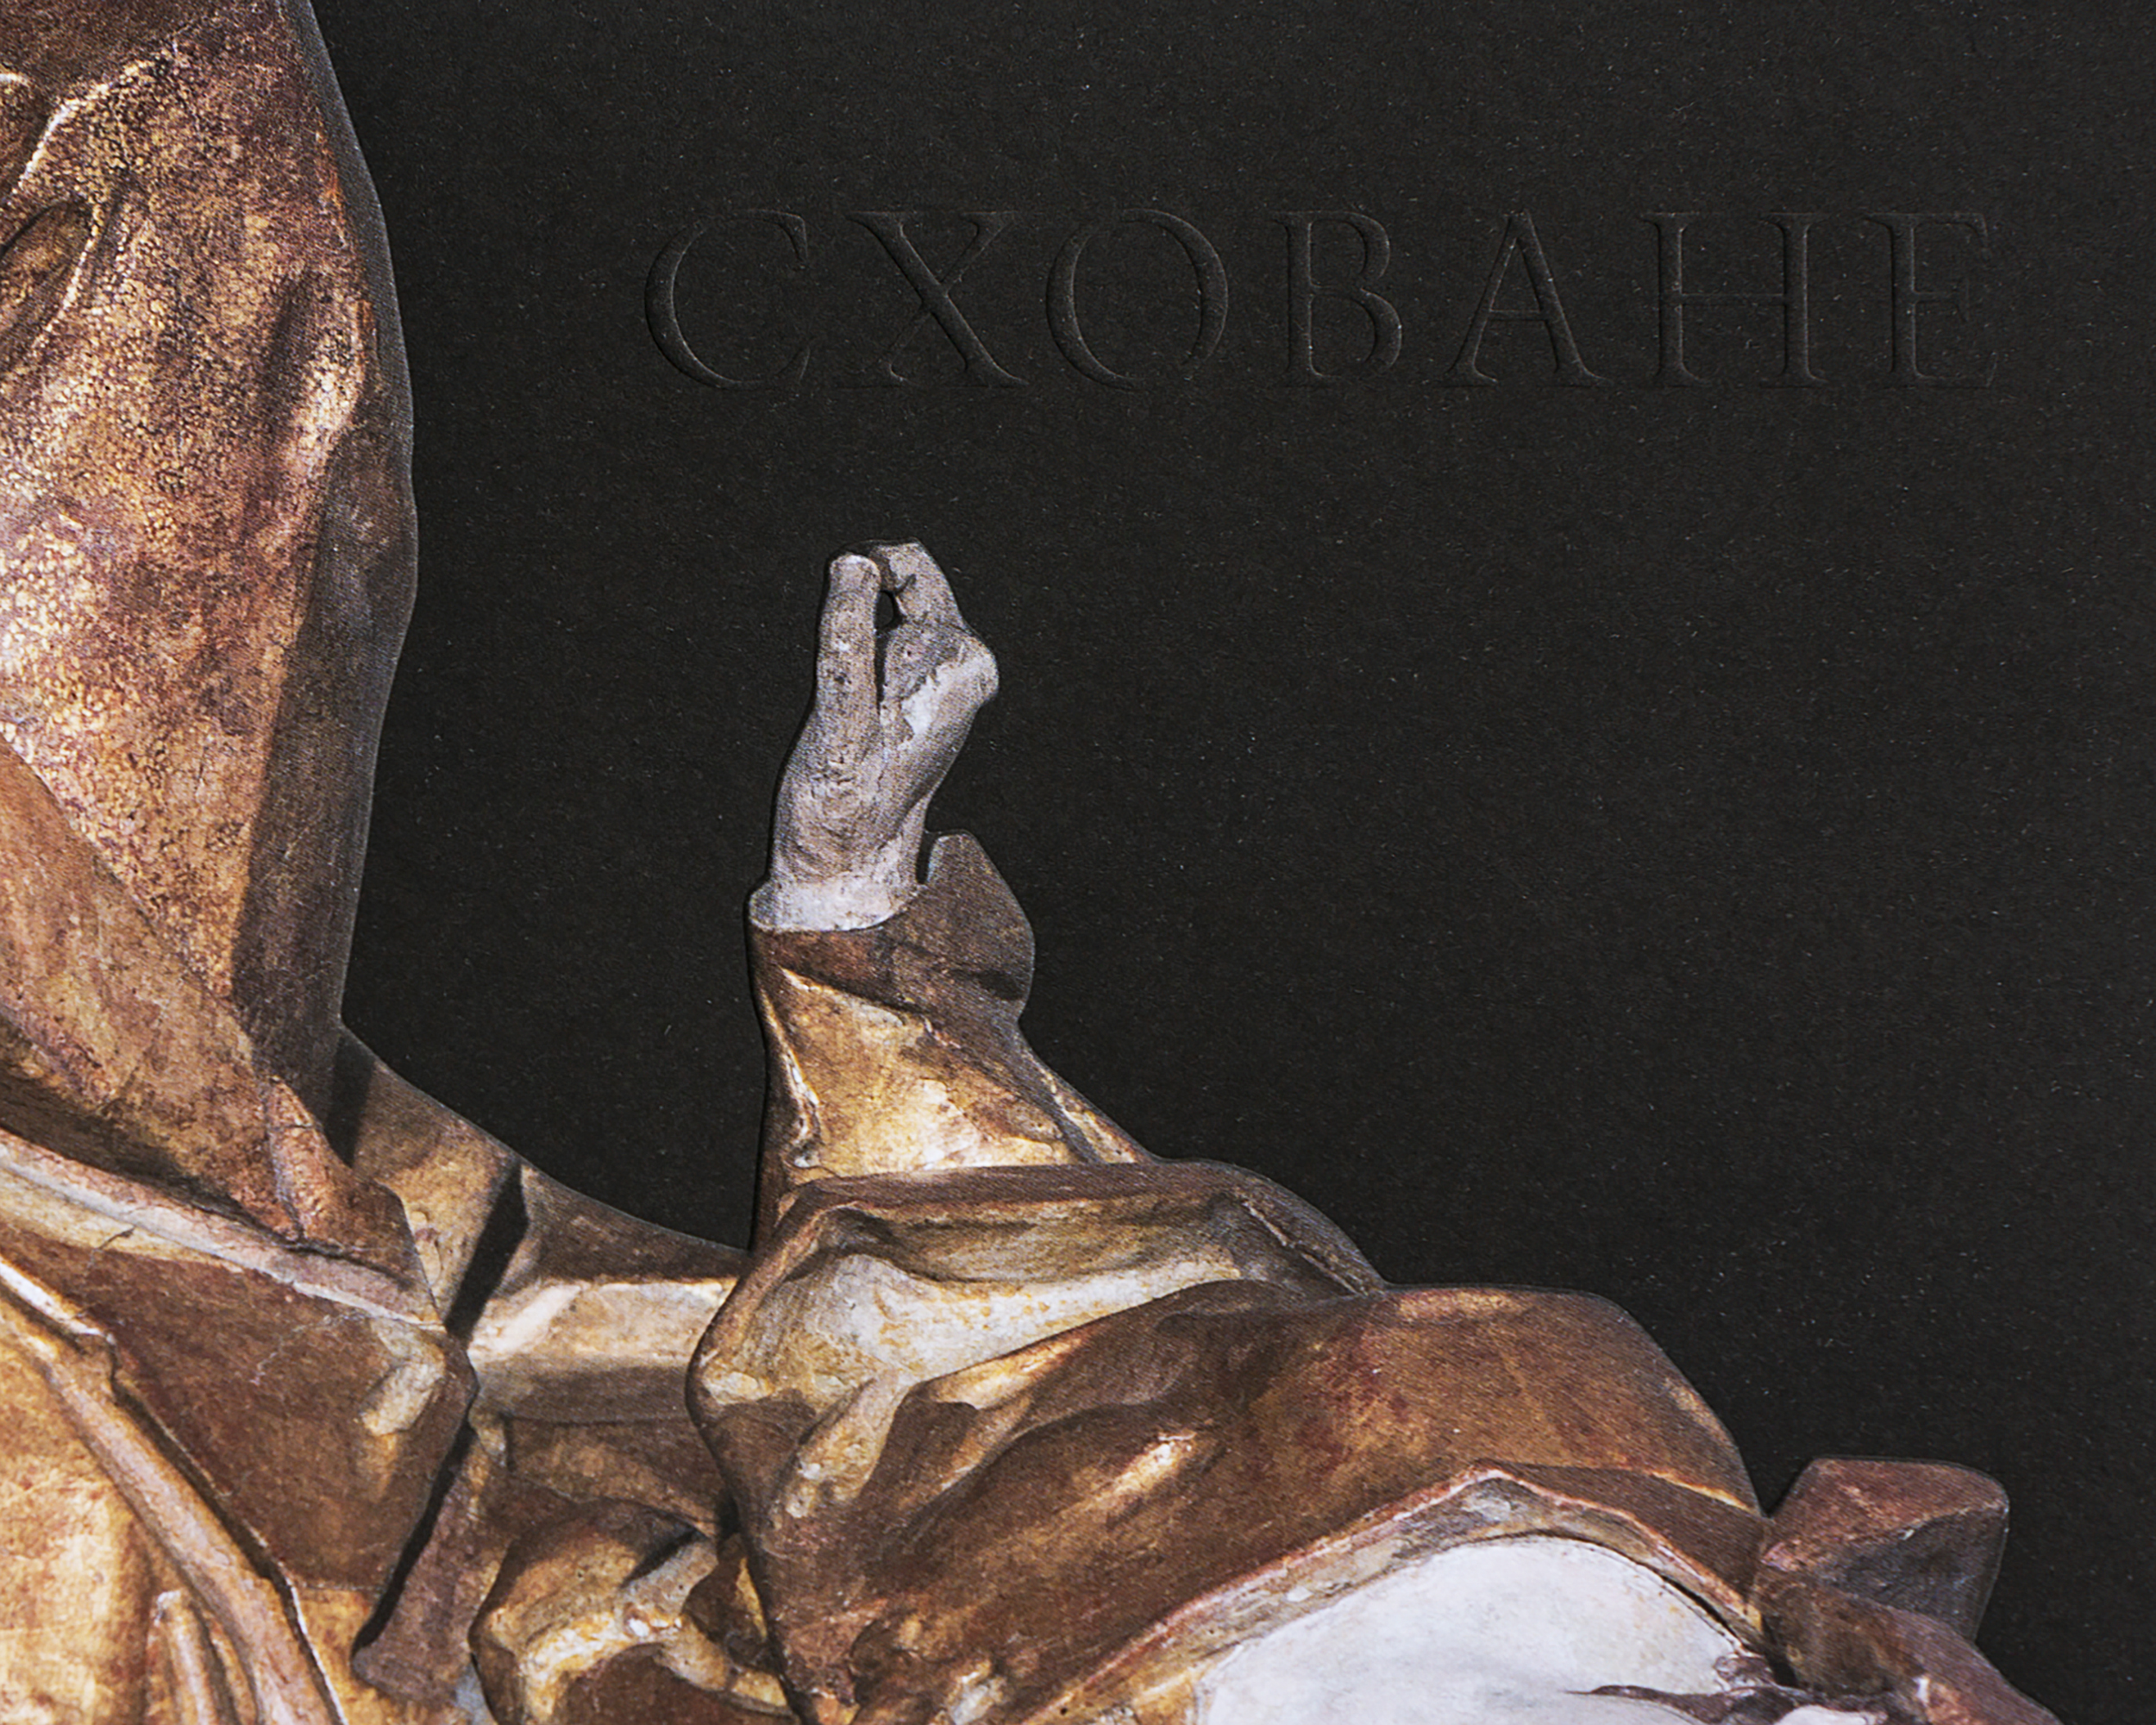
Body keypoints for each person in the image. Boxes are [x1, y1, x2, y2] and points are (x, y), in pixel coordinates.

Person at [0, 3, 2063, 1722]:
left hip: (238, 1566)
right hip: (334, 1348)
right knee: (188, 134)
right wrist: (855, 931)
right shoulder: (1585, 1446)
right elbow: (1005, 1354)